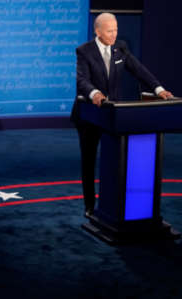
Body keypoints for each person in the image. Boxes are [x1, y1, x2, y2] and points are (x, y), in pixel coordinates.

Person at [70, 13, 173, 217]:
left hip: (114, 116)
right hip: (90, 114)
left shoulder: (121, 47)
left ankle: (113, 205)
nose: (114, 34)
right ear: (98, 31)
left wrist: (158, 89)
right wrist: (94, 93)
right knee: (89, 161)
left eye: (116, 29)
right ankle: (90, 206)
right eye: (110, 31)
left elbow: (139, 70)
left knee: (115, 161)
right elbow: (81, 80)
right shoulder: (84, 51)